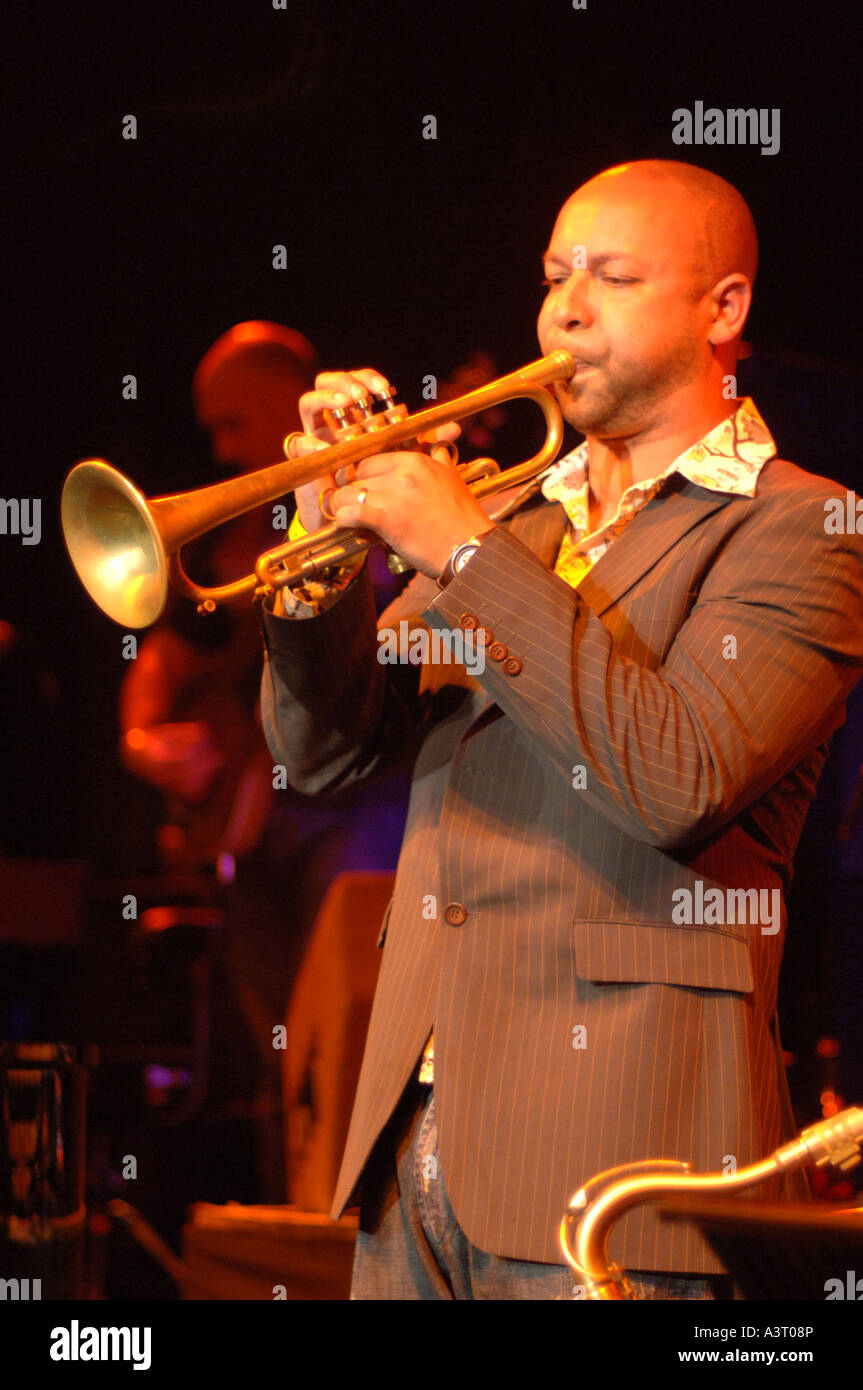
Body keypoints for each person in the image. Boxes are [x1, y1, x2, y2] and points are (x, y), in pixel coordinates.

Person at [256, 161, 863, 1298]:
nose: (564, 309)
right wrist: (322, 551)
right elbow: (324, 751)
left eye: (613, 276)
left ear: (722, 309)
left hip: (627, 1165)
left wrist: (466, 555)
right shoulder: (509, 516)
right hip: (411, 1155)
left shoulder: (802, 526)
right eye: (552, 275)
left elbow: (673, 775)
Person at [119, 321, 410, 1202]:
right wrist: (143, 743)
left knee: (346, 1042)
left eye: (231, 424)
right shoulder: (221, 541)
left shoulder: (354, 484)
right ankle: (299, 1236)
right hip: (251, 844)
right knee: (281, 1055)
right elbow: (162, 652)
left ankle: (358, 1229)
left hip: (350, 814)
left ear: (283, 396)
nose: (221, 448)